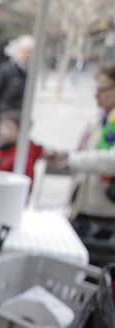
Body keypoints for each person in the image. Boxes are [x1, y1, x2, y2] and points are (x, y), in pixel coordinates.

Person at [58, 64, 115, 244]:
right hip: (87, 203)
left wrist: (75, 160)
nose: (96, 94)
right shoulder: (104, 117)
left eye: (102, 89)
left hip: (105, 211)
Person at [0, 110, 52, 183]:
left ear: (21, 131)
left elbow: (24, 183)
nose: (2, 132)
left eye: (8, 128)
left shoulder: (24, 154)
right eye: (1, 127)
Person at [0, 35, 34, 140]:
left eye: (30, 51)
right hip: (5, 120)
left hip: (20, 122)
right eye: (25, 51)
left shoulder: (30, 72)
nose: (28, 55)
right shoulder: (6, 70)